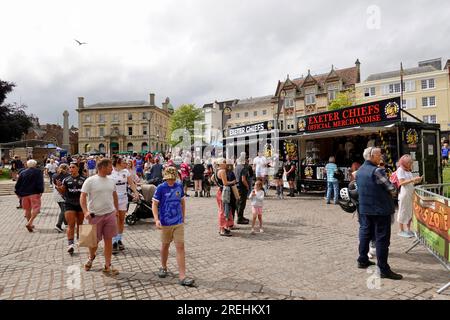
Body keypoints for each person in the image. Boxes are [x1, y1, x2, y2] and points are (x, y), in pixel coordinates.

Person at [356, 147, 402, 280]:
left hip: (365, 209)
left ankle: (362, 259)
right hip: (380, 210)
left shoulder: (359, 171)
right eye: (378, 155)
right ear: (371, 156)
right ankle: (383, 268)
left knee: (365, 233)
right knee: (382, 239)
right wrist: (395, 183)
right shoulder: (377, 171)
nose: (381, 157)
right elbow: (391, 188)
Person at [152, 166, 195, 287]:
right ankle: (163, 266)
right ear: (165, 178)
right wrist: (156, 219)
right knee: (165, 245)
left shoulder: (179, 186)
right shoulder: (160, 188)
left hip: (178, 222)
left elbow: (182, 202)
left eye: (172, 179)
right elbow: (154, 204)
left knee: (180, 247)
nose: (170, 181)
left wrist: (183, 217)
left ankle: (182, 276)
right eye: (168, 179)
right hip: (165, 223)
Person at [81, 159, 120, 275]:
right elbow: (82, 197)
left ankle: (108, 265)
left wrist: (116, 210)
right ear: (102, 167)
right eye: (110, 167)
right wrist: (85, 212)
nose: (112, 169)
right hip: (94, 216)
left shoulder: (111, 181)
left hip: (110, 214)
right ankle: (91, 258)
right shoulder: (90, 180)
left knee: (108, 240)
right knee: (92, 242)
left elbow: (115, 195)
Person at [109, 156, 139, 253]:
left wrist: (136, 193)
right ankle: (113, 242)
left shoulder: (125, 172)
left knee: (121, 220)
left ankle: (119, 239)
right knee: (114, 220)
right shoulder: (110, 172)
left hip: (123, 198)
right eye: (123, 162)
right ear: (117, 163)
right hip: (112, 199)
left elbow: (131, 184)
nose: (125, 163)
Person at [56, 162, 86, 254]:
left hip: (81, 204)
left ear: (77, 169)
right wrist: (58, 187)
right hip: (69, 203)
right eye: (70, 167)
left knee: (80, 224)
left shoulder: (84, 179)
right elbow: (63, 192)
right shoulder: (66, 179)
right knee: (71, 224)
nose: (71, 169)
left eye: (73, 167)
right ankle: (70, 245)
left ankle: (79, 239)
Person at [396, 155, 422, 238]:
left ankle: (408, 228)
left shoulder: (408, 170)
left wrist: (416, 180)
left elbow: (410, 182)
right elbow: (401, 182)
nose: (411, 164)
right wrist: (413, 180)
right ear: (404, 163)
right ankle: (401, 230)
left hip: (410, 192)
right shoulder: (400, 170)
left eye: (411, 162)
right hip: (404, 193)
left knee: (410, 210)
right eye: (409, 163)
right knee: (403, 210)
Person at [14, 159, 44, 232]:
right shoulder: (38, 172)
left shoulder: (22, 172)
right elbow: (40, 182)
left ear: (27, 165)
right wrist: (41, 191)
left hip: (24, 194)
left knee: (27, 209)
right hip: (34, 193)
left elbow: (18, 184)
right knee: (36, 208)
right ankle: (30, 222)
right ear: (35, 165)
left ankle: (29, 223)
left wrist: (17, 192)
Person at [214, 158, 234, 236]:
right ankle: (222, 229)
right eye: (224, 162)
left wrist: (219, 185)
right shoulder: (222, 171)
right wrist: (232, 182)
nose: (226, 164)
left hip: (220, 191)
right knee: (223, 210)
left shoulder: (216, 170)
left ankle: (224, 227)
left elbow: (212, 179)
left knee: (223, 209)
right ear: (221, 164)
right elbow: (225, 183)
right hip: (223, 192)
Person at [53, 163, 70, 233]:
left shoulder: (55, 175)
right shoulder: (67, 176)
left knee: (63, 209)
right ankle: (58, 225)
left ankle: (66, 223)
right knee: (64, 210)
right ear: (66, 169)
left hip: (56, 194)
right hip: (63, 194)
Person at [235, 154, 250, 224]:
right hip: (242, 187)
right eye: (247, 160)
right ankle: (240, 219)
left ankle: (240, 216)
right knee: (242, 203)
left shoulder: (236, 167)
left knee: (238, 203)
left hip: (237, 186)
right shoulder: (243, 168)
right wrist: (247, 186)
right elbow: (243, 179)